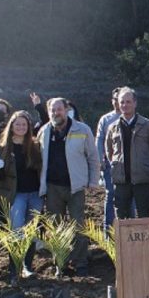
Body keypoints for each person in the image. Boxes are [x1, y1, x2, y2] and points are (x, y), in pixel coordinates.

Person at [38, 98, 100, 276]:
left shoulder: (82, 129)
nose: (55, 113)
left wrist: (93, 181)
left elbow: (93, 157)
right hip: (52, 188)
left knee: (77, 225)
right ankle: (61, 261)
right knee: (56, 227)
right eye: (52, 110)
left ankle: (81, 262)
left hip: (76, 187)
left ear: (66, 110)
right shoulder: (44, 131)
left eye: (59, 109)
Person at [0, 111, 42, 280]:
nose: (21, 127)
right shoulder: (2, 148)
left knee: (31, 231)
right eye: (18, 124)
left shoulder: (35, 146)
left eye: (24, 125)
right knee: (16, 231)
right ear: (11, 126)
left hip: (35, 194)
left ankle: (27, 267)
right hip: (16, 195)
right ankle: (13, 267)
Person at [105, 87, 149, 219]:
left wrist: (147, 167)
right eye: (122, 102)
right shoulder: (113, 128)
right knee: (122, 219)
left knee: (144, 217)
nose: (125, 105)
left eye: (128, 102)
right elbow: (109, 151)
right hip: (121, 182)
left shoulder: (148, 125)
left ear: (135, 103)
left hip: (142, 181)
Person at [94, 88, 121, 233]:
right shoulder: (106, 119)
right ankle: (108, 231)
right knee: (110, 195)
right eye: (115, 99)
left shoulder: (132, 117)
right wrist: (100, 160)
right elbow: (99, 140)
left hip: (128, 166)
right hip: (110, 164)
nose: (118, 102)